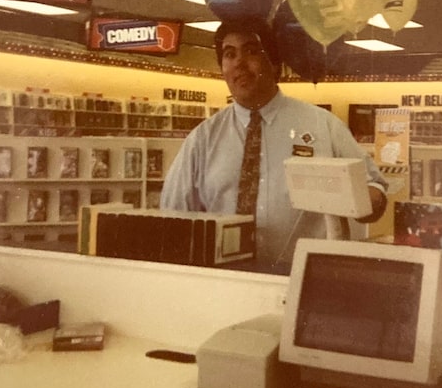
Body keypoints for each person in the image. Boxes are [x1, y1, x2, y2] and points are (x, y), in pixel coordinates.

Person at [160, 18, 387, 273]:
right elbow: (174, 217)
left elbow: (375, 188)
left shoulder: (323, 126)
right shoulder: (202, 139)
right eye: (229, 54)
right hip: (223, 284)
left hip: (305, 279)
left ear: (275, 62)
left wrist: (363, 201)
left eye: (251, 51)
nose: (238, 63)